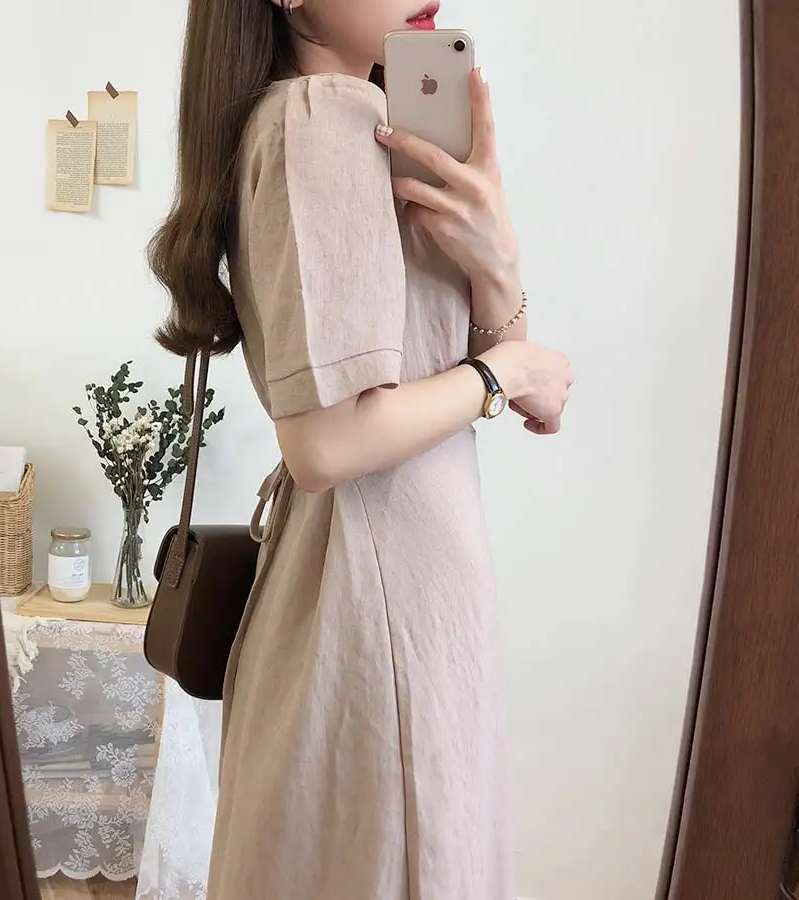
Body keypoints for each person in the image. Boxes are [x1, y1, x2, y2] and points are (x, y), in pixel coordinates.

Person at [148, 0, 574, 897]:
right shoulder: (325, 118)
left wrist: (496, 258)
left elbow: (514, 382)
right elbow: (328, 441)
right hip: (381, 592)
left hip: (389, 585)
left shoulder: (356, 126)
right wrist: (505, 372)